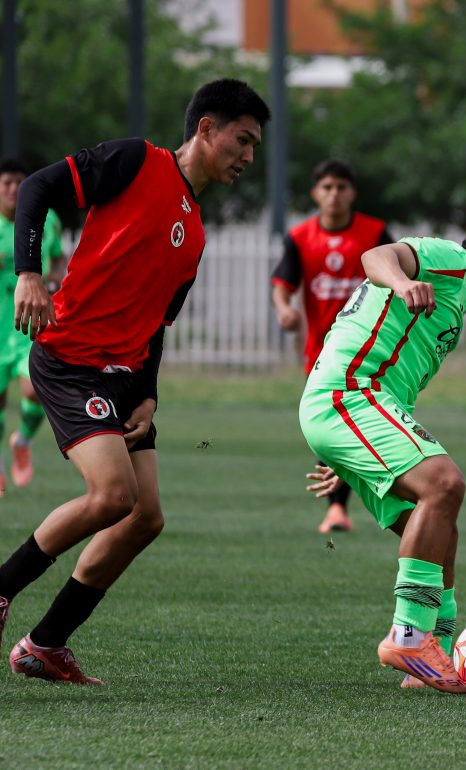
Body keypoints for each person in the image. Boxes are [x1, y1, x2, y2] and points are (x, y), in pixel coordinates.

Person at [0, 78, 270, 684]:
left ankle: (45, 645)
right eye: (243, 140)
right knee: (112, 496)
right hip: (71, 359)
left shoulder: (195, 233)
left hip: (125, 379)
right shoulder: (134, 161)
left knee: (144, 517)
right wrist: (29, 274)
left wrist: (149, 394)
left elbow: (157, 325)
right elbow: (39, 187)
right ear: (206, 129)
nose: (249, 157)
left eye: (255, 146)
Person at [300, 199, 466, 692]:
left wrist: (348, 454)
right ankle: (409, 637)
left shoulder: (457, 301)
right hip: (348, 395)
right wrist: (401, 281)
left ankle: (438, 652)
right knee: (445, 484)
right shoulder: (450, 261)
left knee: (441, 529)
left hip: (355, 410)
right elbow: (376, 256)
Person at [271, 160, 393, 534]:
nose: (334, 194)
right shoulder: (300, 237)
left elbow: (397, 272)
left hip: (370, 349)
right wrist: (284, 309)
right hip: (322, 352)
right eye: (327, 187)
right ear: (315, 193)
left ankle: (344, 505)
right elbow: (283, 282)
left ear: (352, 193)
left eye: (341, 187)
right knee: (332, 427)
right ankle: (340, 505)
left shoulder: (375, 233)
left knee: (363, 424)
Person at [0, 157, 67, 494]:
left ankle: (23, 440)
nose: (14, 189)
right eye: (7, 183)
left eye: (19, 183)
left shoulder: (47, 218)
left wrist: (54, 278)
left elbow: (58, 256)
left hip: (29, 323)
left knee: (34, 389)